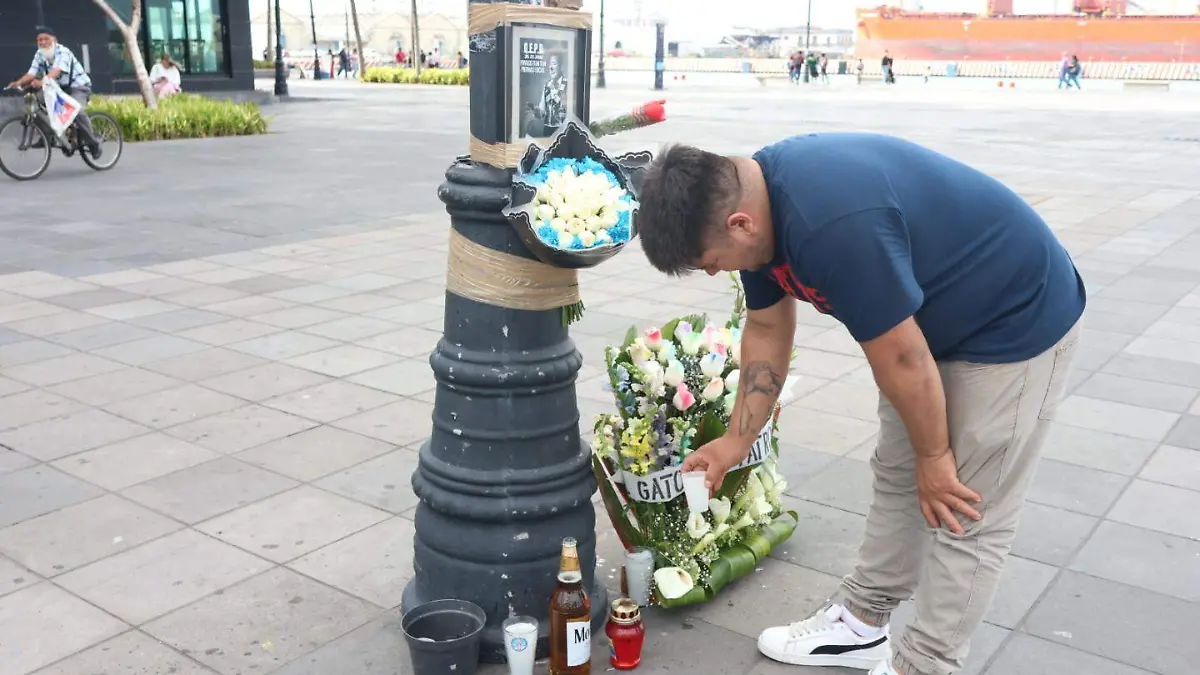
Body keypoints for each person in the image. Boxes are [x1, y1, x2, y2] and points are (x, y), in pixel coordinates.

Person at [635, 133, 1086, 675]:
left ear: (740, 225)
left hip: (1013, 319)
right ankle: (861, 624)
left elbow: (902, 358)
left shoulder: (831, 224)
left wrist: (936, 457)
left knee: (964, 508)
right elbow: (768, 328)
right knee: (900, 473)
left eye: (710, 262)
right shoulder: (752, 207)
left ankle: (925, 663)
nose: (715, 272)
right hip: (925, 330)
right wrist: (736, 440)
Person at [6, 26, 100, 156]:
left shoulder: (63, 52)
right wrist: (18, 82)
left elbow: (57, 71)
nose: (43, 42)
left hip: (78, 87)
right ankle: (47, 136)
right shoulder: (39, 54)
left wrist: (42, 82)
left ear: (54, 40)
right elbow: (32, 73)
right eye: (40, 40)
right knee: (36, 102)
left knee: (76, 111)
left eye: (46, 39)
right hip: (58, 89)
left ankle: (93, 143)